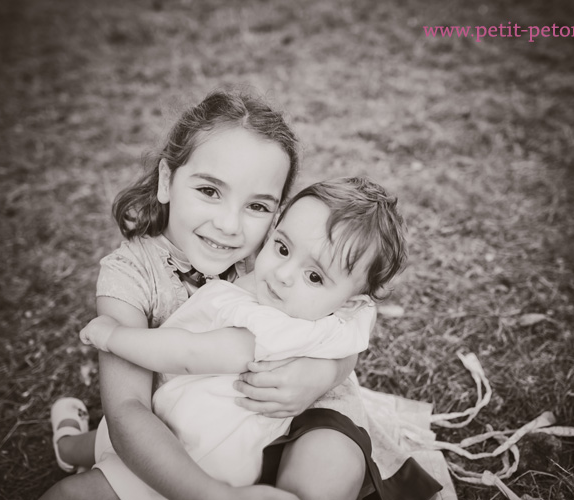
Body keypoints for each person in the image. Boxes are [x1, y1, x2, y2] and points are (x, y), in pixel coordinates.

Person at [40, 89, 369, 500]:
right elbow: (127, 411)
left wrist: (323, 374)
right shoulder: (131, 277)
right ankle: (70, 447)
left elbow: (352, 320)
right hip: (184, 437)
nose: (230, 226)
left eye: (257, 206)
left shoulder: (276, 257)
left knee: (330, 468)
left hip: (291, 418)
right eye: (210, 191)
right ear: (166, 181)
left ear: (277, 213)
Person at [69, 177, 406, 499]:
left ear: (350, 301)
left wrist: (114, 337)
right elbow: (357, 328)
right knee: (105, 440)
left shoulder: (272, 328)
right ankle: (67, 443)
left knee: (84, 479)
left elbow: (189, 353)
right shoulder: (341, 311)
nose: (282, 274)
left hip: (196, 447)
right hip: (184, 421)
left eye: (314, 276)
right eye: (283, 248)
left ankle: (66, 445)